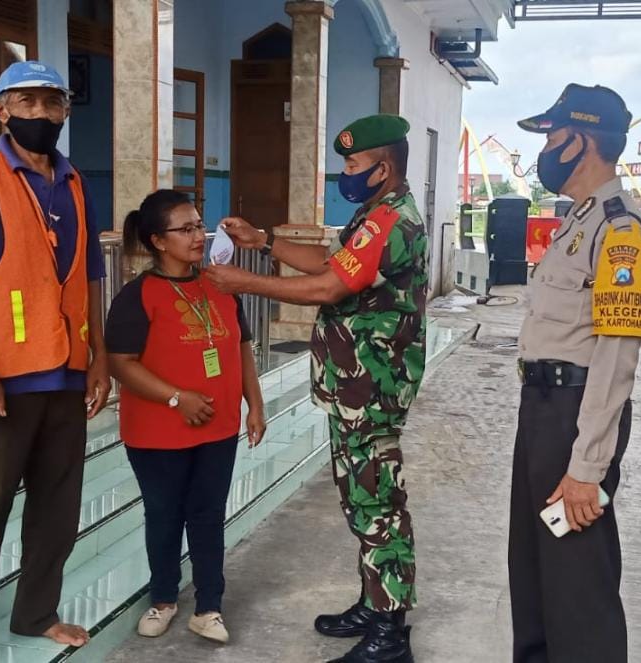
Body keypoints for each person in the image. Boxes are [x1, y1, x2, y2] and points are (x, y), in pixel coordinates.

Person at [205, 114, 427, 663]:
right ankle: (375, 604)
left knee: (378, 501)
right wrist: (263, 244)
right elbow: (335, 263)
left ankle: (390, 633)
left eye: (353, 165)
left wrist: (244, 281)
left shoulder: (393, 221)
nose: (345, 174)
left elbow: (330, 286)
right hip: (355, 386)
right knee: (361, 497)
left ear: (385, 166)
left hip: (373, 386)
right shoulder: (373, 214)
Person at [0, 61, 109, 662]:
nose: (40, 114)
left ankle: (36, 614)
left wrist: (100, 360)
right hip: (3, 376)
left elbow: (90, 277)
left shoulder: (75, 181)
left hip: (67, 373)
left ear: (64, 112)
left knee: (57, 507)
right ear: (1, 109)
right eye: (26, 102)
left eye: (52, 103)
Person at [509, 84, 641, 663]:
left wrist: (586, 467)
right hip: (543, 408)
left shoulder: (620, 232)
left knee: (576, 580)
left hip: (575, 416)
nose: (545, 149)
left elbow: (617, 359)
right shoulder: (580, 221)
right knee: (533, 564)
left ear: (580, 140)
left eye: (551, 136)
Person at [104, 189, 267, 644]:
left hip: (217, 428)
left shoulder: (222, 285)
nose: (199, 235)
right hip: (157, 432)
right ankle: (163, 598)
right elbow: (121, 362)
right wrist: (178, 398)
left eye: (200, 225)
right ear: (158, 240)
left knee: (209, 514)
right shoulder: (137, 296)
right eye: (186, 228)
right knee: (163, 514)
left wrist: (254, 403)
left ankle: (209, 606)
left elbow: (240, 346)